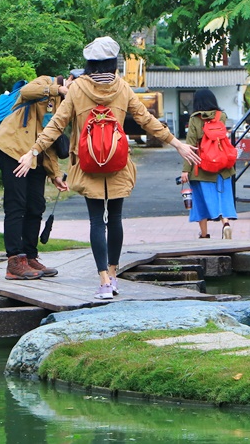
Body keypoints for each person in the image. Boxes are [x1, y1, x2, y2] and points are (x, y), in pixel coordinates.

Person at [14, 37, 200, 300]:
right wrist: (176, 144)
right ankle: (113, 275)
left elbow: (56, 124)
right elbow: (146, 120)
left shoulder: (77, 89)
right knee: (115, 219)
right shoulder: (123, 88)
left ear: (89, 64)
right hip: (117, 164)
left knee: (95, 221)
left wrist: (32, 151)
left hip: (88, 164)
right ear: (113, 63)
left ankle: (102, 280)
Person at [0, 74, 71, 280]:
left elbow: (50, 141)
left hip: (35, 155)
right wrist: (57, 90)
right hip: (13, 149)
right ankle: (14, 261)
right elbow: (27, 92)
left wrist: (55, 175)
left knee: (36, 205)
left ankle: (30, 256)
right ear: (69, 78)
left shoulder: (64, 103)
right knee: (17, 203)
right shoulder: (46, 82)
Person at [180, 89, 238, 239]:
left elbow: (191, 146)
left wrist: (186, 170)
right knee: (222, 197)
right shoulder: (221, 116)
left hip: (201, 166)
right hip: (222, 166)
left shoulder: (195, 119)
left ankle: (204, 234)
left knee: (200, 200)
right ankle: (225, 223)